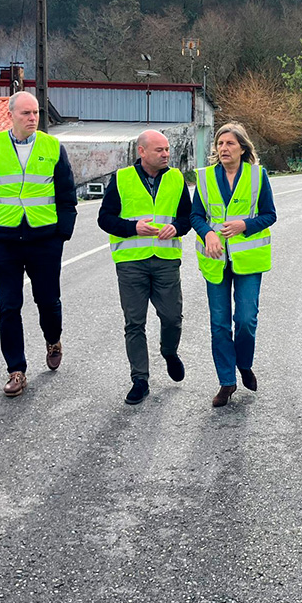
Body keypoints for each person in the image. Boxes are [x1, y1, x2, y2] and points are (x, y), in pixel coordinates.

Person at [0, 91, 77, 397]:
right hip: (5, 240)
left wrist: (62, 234)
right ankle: (16, 370)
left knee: (48, 301)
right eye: (26, 113)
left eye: (36, 113)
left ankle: (53, 340)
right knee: (8, 307)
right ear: (10, 115)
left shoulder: (53, 147)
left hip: (45, 239)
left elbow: (67, 196)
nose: (32, 118)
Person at [98, 129, 192, 405]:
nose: (166, 154)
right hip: (131, 263)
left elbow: (187, 217)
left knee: (172, 318)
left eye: (167, 149)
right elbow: (105, 219)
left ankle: (169, 351)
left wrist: (177, 228)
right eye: (159, 150)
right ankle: (140, 379)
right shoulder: (122, 178)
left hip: (166, 261)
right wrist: (132, 228)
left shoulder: (176, 178)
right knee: (134, 323)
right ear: (142, 152)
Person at [190, 122, 277, 407]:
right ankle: (227, 381)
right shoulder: (205, 178)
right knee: (219, 324)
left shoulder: (257, 175)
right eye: (220, 143)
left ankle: (244, 364)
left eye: (230, 143)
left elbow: (270, 214)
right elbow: (195, 216)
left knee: (246, 320)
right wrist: (208, 233)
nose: (224, 148)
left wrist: (245, 225)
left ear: (242, 148)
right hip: (215, 259)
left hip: (247, 260)